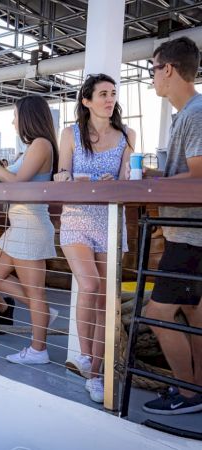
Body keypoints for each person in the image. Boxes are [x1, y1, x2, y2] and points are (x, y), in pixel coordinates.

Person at [54, 73, 134, 403]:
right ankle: (86, 356)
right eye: (102, 93)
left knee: (106, 299)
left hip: (110, 219)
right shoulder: (70, 133)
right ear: (86, 101)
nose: (109, 99)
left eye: (113, 93)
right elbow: (60, 176)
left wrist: (115, 181)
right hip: (76, 218)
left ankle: (98, 373)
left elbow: (128, 178)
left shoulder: (127, 134)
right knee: (90, 285)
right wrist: (73, 178)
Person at [138, 37, 202, 415]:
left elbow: (198, 178)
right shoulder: (188, 113)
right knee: (194, 315)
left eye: (152, 69)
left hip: (190, 235)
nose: (151, 78)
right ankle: (196, 390)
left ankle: (189, 393)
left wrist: (150, 185)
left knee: (158, 313)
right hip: (189, 234)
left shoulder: (194, 114)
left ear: (169, 69)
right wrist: (151, 176)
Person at [0, 95, 58, 364]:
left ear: (28, 117)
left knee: (35, 293)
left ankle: (38, 350)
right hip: (18, 226)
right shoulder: (33, 147)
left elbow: (19, 181)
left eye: (15, 115)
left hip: (31, 226)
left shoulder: (42, 145)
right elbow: (13, 177)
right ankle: (42, 311)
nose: (12, 121)